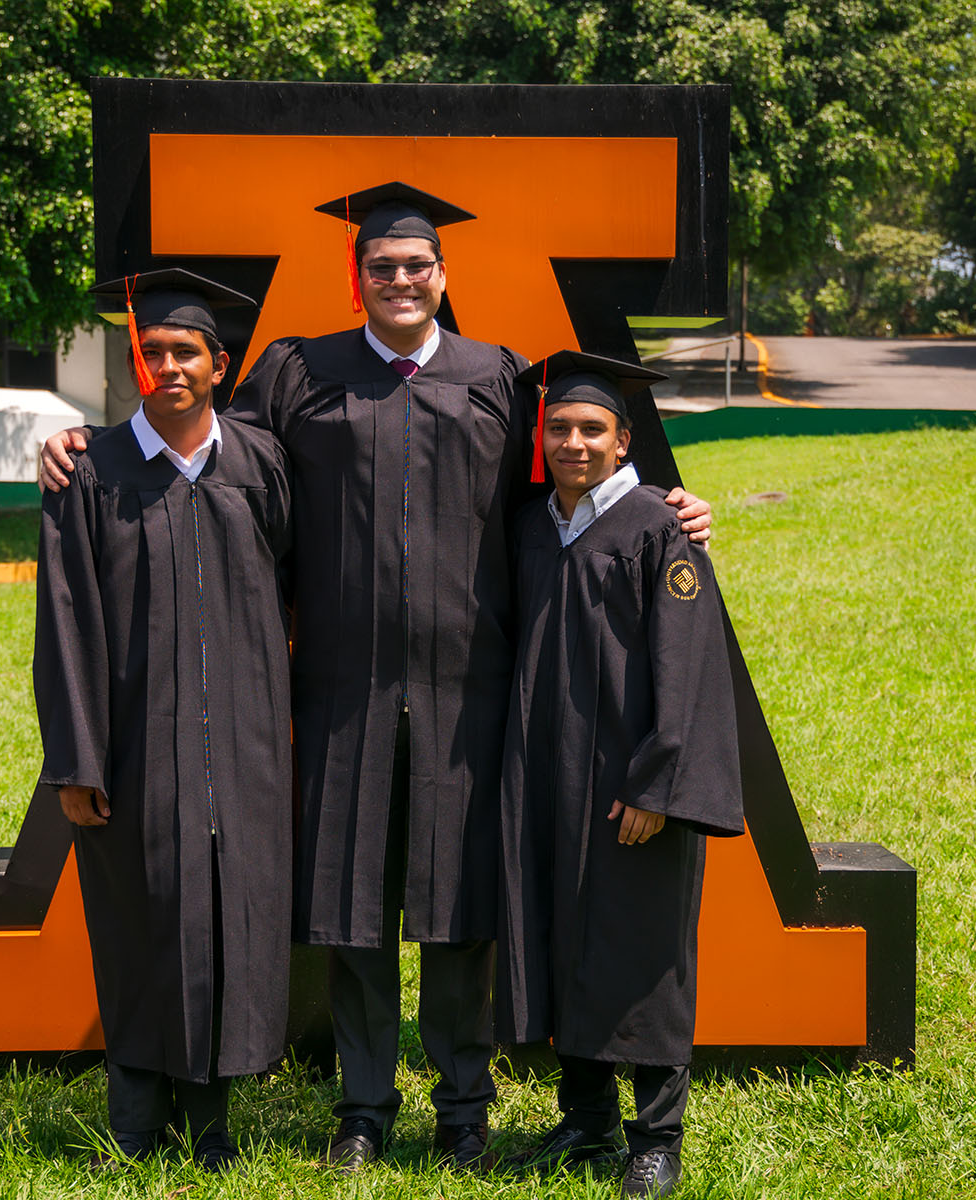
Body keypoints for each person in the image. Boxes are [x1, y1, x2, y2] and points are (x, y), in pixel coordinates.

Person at [39, 183, 713, 1171]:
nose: (400, 281)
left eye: (417, 267)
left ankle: (463, 1110)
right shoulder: (299, 371)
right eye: (382, 268)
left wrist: (666, 507)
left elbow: (573, 481)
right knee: (351, 912)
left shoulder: (501, 378)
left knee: (458, 913)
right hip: (341, 693)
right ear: (357, 281)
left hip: (467, 697)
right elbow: (209, 453)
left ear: (445, 277)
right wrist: (79, 445)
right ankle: (363, 1110)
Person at [34, 269, 293, 1173]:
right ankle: (136, 1124)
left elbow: (302, 585)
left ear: (220, 366)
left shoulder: (261, 463)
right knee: (139, 918)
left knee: (228, 921)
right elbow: (63, 623)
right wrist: (77, 761)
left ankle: (212, 1124)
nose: (169, 366)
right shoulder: (91, 471)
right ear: (134, 363)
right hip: (136, 745)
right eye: (153, 352)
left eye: (187, 352)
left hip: (247, 745)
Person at [496, 352, 745, 1200]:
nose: (574, 442)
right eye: (559, 428)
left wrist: (656, 785)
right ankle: (587, 1119)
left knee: (642, 949)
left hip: (628, 782)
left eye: (592, 429)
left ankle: (657, 1137)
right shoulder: (535, 526)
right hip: (546, 773)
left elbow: (691, 668)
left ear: (623, 439)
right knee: (567, 935)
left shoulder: (656, 528)